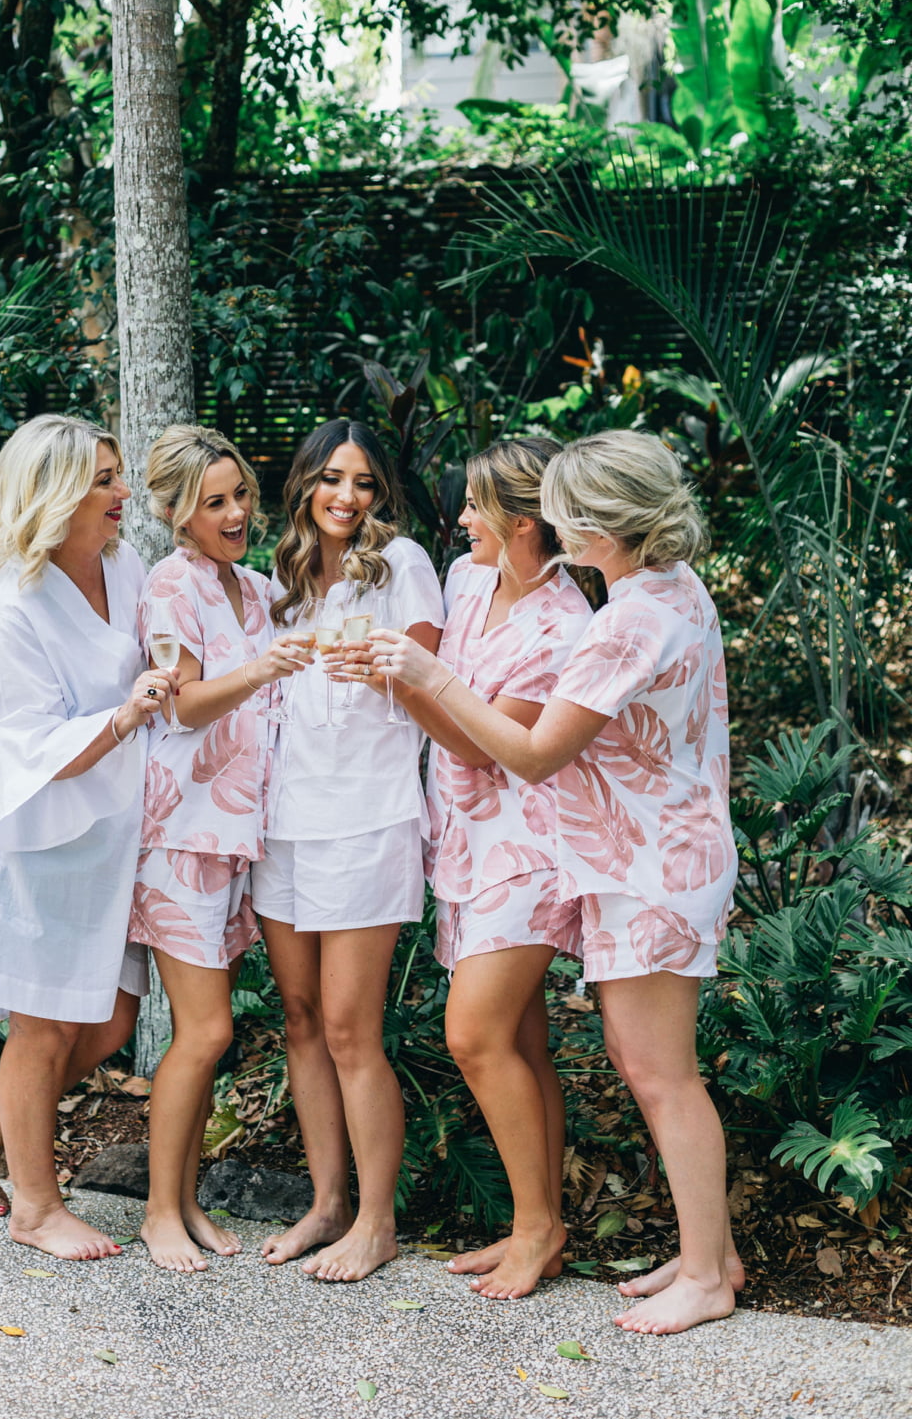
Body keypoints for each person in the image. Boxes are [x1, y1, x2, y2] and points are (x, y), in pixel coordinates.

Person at [371, 429, 741, 1334]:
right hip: (647, 855)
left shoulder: (625, 621)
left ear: (601, 525)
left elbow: (534, 755)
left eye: (568, 510)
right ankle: (713, 1252)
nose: (556, 521)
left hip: (653, 864)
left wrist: (430, 676)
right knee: (649, 1066)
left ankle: (706, 1276)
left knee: (662, 1075)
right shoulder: (672, 587)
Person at [350, 438, 593, 1300]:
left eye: (475, 506)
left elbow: (486, 746)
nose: (458, 519)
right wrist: (393, 674)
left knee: (474, 1033)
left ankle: (536, 1228)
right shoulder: (465, 579)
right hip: (463, 841)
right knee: (521, 1039)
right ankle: (542, 1226)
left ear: (523, 522)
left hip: (528, 851)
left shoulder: (565, 626)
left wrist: (408, 681)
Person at [0, 414, 176, 1261]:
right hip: (40, 827)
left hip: (115, 824)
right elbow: (29, 743)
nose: (123, 492)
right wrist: (123, 718)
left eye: (118, 474)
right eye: (104, 479)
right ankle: (36, 1208)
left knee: (111, 1020)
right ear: (55, 494)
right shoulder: (15, 603)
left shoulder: (125, 564)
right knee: (42, 1025)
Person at [251, 419, 444, 1282]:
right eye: (332, 478)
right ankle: (327, 1203)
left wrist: (388, 671)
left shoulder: (402, 564)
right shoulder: (285, 580)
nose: (347, 496)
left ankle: (377, 1220)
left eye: (363, 482)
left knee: (349, 1028)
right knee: (300, 1018)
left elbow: (435, 682)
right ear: (305, 484)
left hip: (367, 817)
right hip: (283, 821)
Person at [129, 425, 314, 1272]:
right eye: (215, 502)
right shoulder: (171, 587)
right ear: (177, 514)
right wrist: (263, 669)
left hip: (237, 839)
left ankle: (185, 1198)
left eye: (240, 494)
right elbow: (181, 706)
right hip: (181, 836)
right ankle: (157, 1211)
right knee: (205, 1032)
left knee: (206, 1033)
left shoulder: (256, 587)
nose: (237, 512)